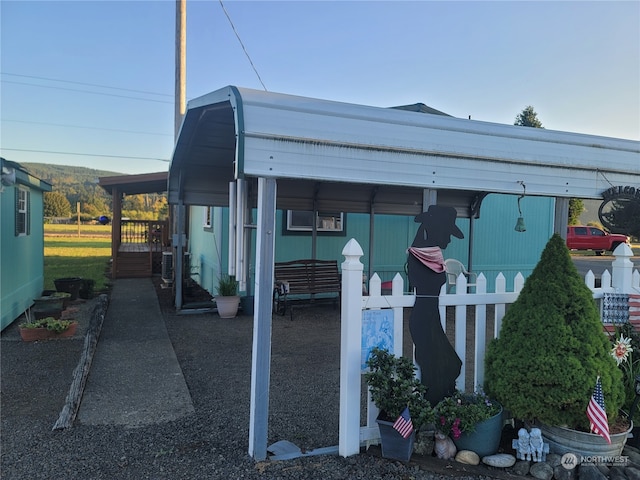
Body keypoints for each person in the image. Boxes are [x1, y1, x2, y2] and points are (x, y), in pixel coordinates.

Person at [407, 205, 463, 405]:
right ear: (435, 229)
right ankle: (435, 411)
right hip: (424, 319)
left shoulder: (432, 255)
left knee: (449, 365)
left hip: (431, 316)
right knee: (442, 367)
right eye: (446, 233)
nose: (448, 239)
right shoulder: (419, 255)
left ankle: (442, 408)